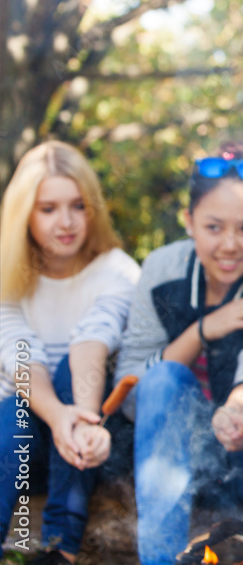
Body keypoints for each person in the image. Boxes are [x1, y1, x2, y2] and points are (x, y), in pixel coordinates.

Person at [115, 140, 243, 565]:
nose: (229, 245)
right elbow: (133, 389)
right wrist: (205, 329)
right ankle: (160, 559)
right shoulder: (161, 270)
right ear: (188, 221)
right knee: (166, 377)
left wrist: (240, 408)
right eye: (213, 227)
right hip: (180, 455)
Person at [0, 141, 140, 564]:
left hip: (97, 437)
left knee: (67, 371)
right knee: (15, 409)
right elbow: (19, 355)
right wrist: (59, 417)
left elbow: (92, 338)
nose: (66, 222)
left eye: (78, 205)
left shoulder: (117, 270)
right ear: (24, 213)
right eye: (48, 209)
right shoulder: (7, 275)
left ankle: (61, 548)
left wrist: (79, 418)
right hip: (24, 443)